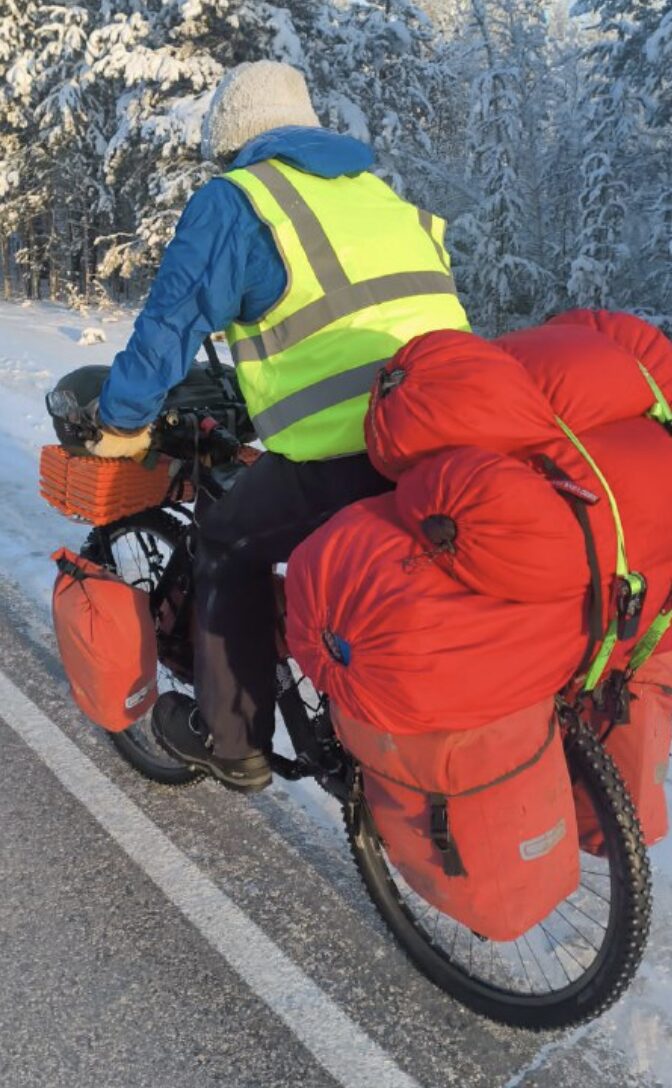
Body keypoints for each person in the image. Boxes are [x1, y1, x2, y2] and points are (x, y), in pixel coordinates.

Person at [87, 60, 471, 792]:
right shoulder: (379, 196)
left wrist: (123, 419)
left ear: (233, 142)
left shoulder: (240, 200)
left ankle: (232, 741)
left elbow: (172, 321)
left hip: (350, 448)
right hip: (449, 442)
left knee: (225, 538)